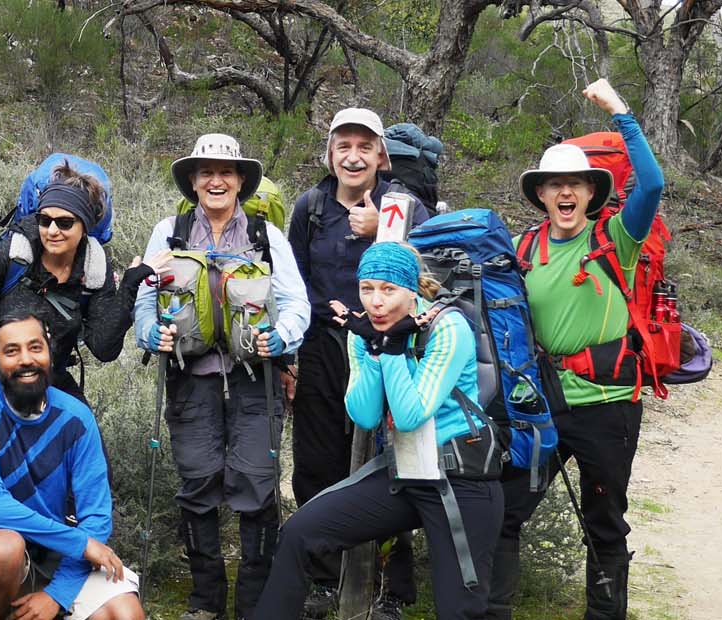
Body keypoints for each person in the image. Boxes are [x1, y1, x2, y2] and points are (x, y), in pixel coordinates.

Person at [488, 79, 665, 620]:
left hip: (608, 405)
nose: (565, 193)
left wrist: (619, 111)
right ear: (540, 193)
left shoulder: (616, 239)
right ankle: (493, 613)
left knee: (603, 520)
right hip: (541, 405)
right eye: (554, 185)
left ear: (593, 192)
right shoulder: (522, 248)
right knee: (506, 511)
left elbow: (653, 184)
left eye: (576, 184)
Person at [253, 242, 504, 620]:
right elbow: (365, 415)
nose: (376, 302)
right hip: (406, 471)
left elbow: (410, 415)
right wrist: (371, 347)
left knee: (460, 609)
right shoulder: (365, 331)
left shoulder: (448, 327)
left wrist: (391, 350)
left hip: (462, 478)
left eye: (389, 290)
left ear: (412, 289)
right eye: (367, 288)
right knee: (299, 532)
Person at [133, 134, 308, 620]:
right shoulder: (168, 232)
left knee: (256, 483)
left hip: (256, 377)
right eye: (205, 172)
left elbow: (296, 302)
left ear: (241, 182)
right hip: (190, 378)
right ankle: (205, 600)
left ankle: (254, 603)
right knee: (198, 482)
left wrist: (282, 337)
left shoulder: (265, 236)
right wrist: (151, 335)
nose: (216, 180)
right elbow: (146, 299)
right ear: (192, 181)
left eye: (226, 172)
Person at [285, 108, 433, 618]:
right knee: (317, 463)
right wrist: (290, 360)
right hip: (323, 345)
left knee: (396, 460)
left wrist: (381, 232)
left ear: (380, 156)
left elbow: (430, 274)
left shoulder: (402, 205)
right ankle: (324, 580)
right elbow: (294, 285)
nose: (353, 156)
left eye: (364, 147)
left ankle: (391, 588)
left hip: (389, 346)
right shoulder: (310, 207)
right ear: (330, 154)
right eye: (343, 146)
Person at [0, 310, 145, 620]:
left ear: (49, 352)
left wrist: (57, 595)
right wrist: (80, 543)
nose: (25, 360)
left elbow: (96, 516)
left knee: (125, 614)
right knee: (6, 548)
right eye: (11, 350)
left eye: (35, 347)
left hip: (52, 545)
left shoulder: (77, 417)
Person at [0, 163, 145, 398]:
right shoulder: (13, 255)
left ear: (84, 226)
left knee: (84, 431)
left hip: (51, 383)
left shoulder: (94, 266)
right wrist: (12, 335)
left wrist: (128, 288)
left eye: (65, 223)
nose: (52, 231)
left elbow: (103, 347)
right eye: (45, 220)